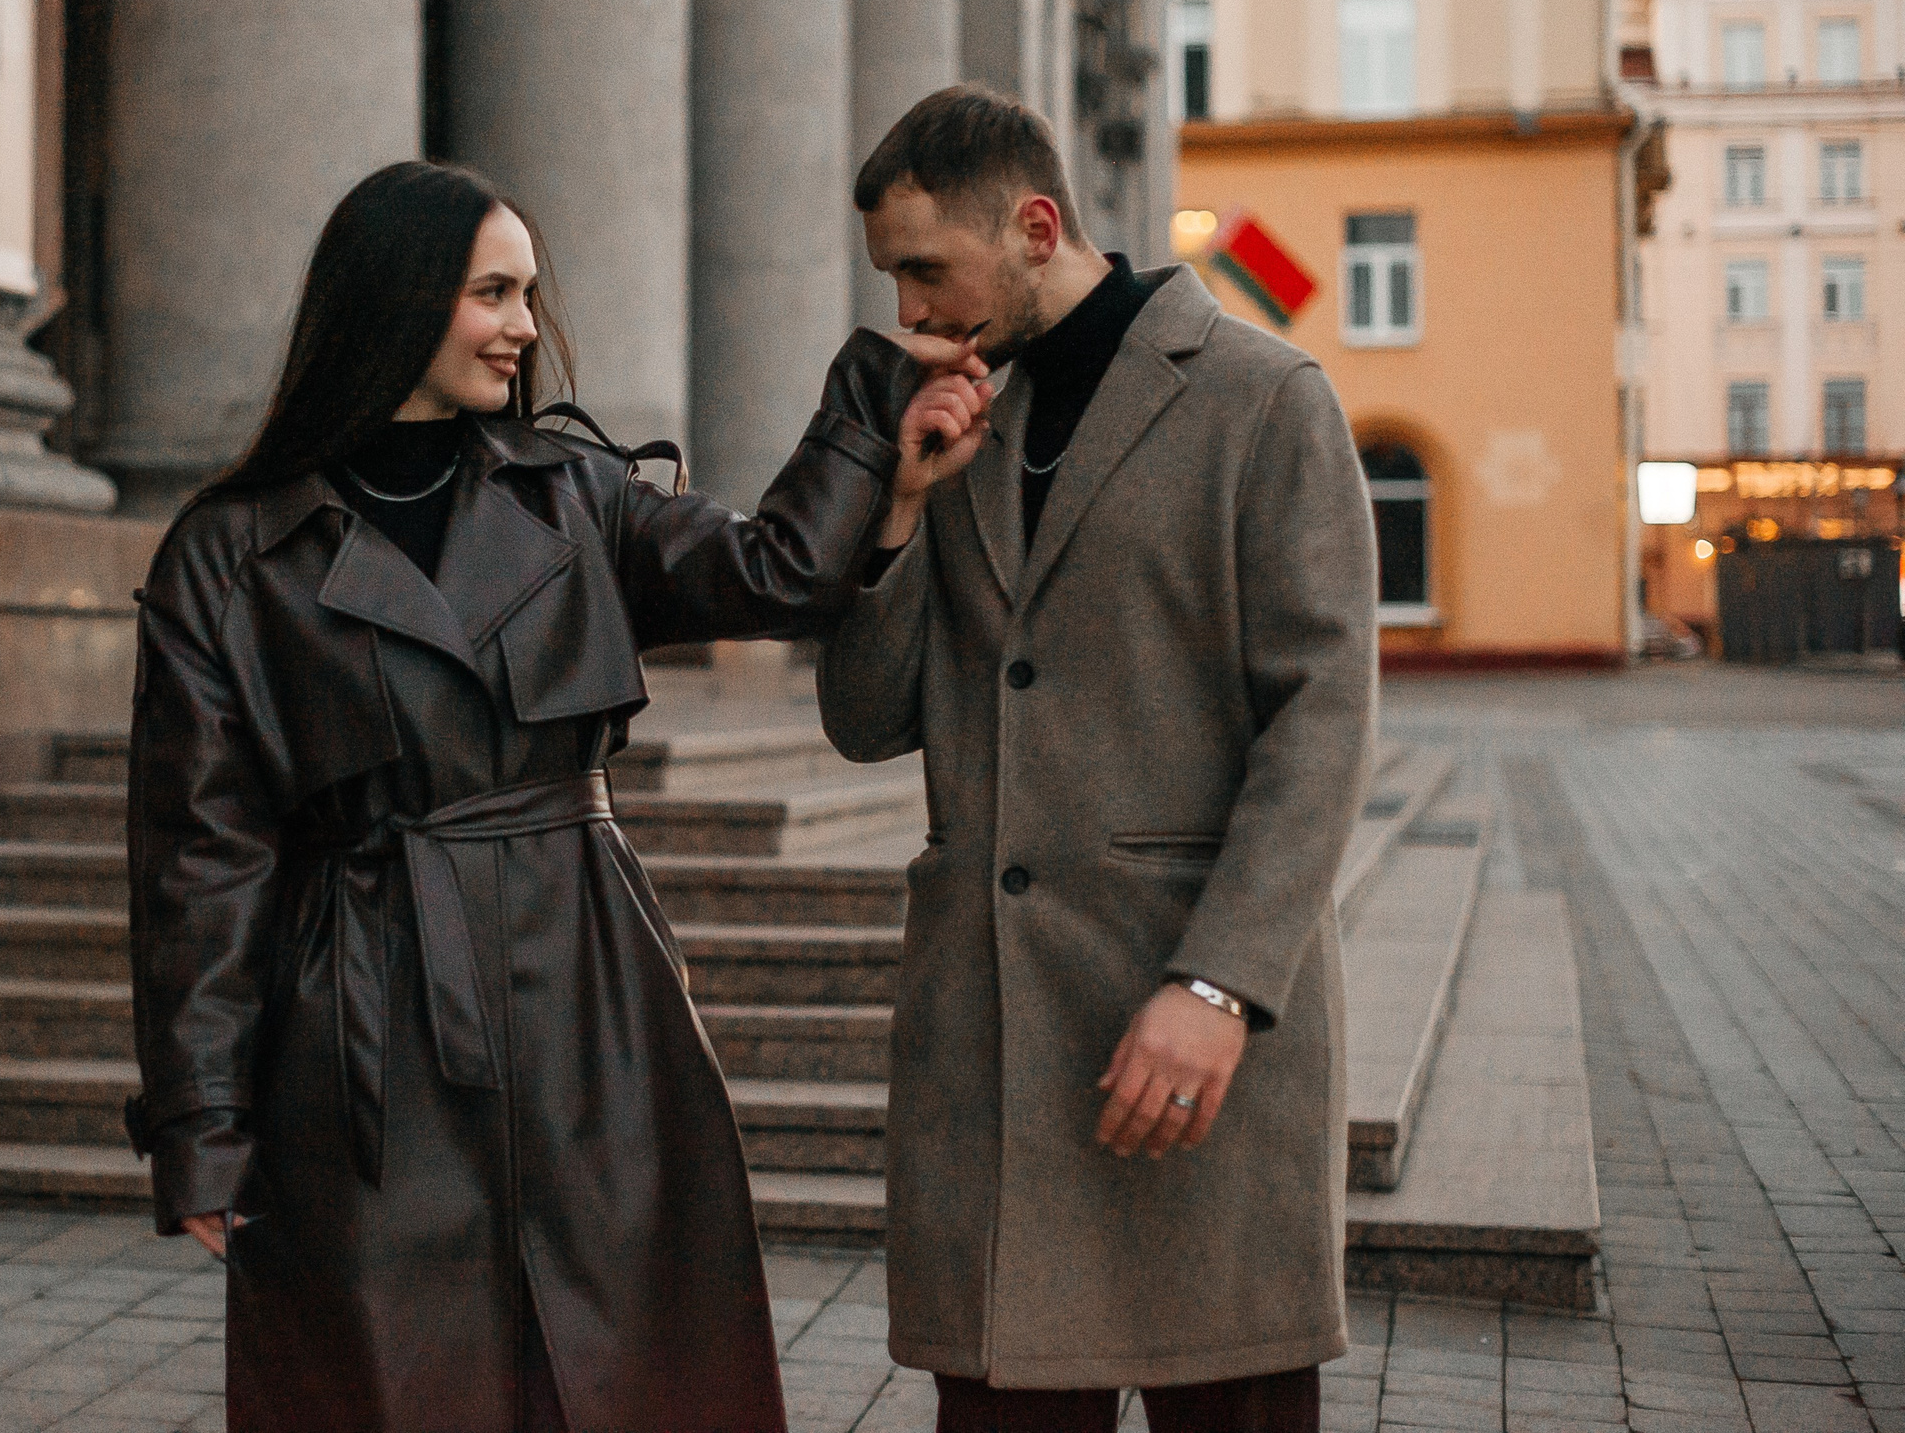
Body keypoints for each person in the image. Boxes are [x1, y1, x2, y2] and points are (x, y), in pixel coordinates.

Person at [124, 159, 973, 1433]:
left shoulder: (574, 493)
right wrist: (201, 1115)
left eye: (526, 292)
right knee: (395, 1374)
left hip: (592, 989)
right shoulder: (231, 550)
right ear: (398, 301)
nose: (525, 324)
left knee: (624, 1356)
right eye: (493, 292)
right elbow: (200, 854)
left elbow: (775, 572)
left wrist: (872, 414)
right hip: (361, 1006)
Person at [817, 86, 1378, 1433]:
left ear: (1034, 225)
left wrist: (1220, 982)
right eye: (895, 278)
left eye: (926, 269)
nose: (910, 311)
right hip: (993, 1056)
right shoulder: (959, 426)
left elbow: (1322, 717)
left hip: (1189, 1039)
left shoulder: (1264, 397)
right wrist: (896, 511)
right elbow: (864, 715)